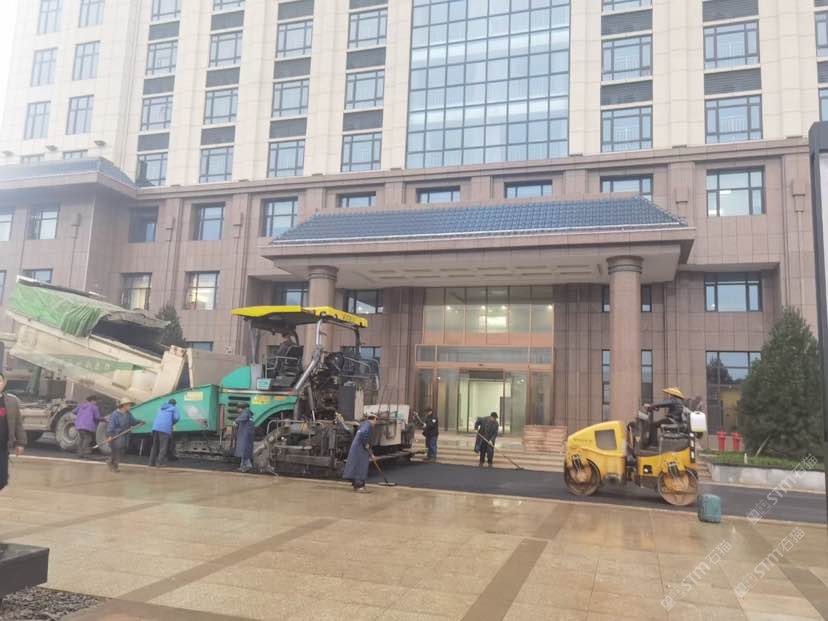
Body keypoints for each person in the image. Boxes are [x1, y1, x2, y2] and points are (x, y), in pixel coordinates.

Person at [0, 372, 25, 492]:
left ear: (4, 383)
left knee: (2, 479)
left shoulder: (11, 402)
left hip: (2, 446)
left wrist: (20, 443)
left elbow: (18, 423)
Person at [106, 398, 143, 472]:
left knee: (122, 450)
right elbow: (111, 425)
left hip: (125, 434)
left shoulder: (128, 414)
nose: (130, 406)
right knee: (117, 450)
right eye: (129, 405)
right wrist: (110, 435)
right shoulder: (115, 414)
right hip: (117, 434)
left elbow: (133, 421)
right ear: (124, 405)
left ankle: (111, 462)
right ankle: (114, 465)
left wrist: (140, 421)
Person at [342, 413, 377, 492]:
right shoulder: (368, 426)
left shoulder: (364, 424)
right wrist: (366, 443)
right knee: (360, 467)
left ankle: (357, 485)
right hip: (360, 449)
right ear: (373, 420)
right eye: (375, 421)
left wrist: (371, 453)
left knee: (357, 466)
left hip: (358, 448)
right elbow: (363, 434)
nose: (375, 423)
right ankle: (359, 486)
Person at [149, 399, 180, 467]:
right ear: (174, 404)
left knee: (154, 446)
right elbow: (177, 418)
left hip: (155, 428)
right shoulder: (174, 408)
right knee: (163, 447)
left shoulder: (161, 407)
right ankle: (159, 463)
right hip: (164, 429)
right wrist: (171, 422)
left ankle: (151, 463)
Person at [234, 408, 254, 472]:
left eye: (238, 409)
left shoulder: (245, 413)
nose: (238, 411)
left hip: (245, 435)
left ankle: (248, 466)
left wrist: (235, 421)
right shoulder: (250, 415)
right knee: (245, 452)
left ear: (241, 408)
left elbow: (243, 418)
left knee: (244, 451)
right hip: (248, 436)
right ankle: (242, 466)